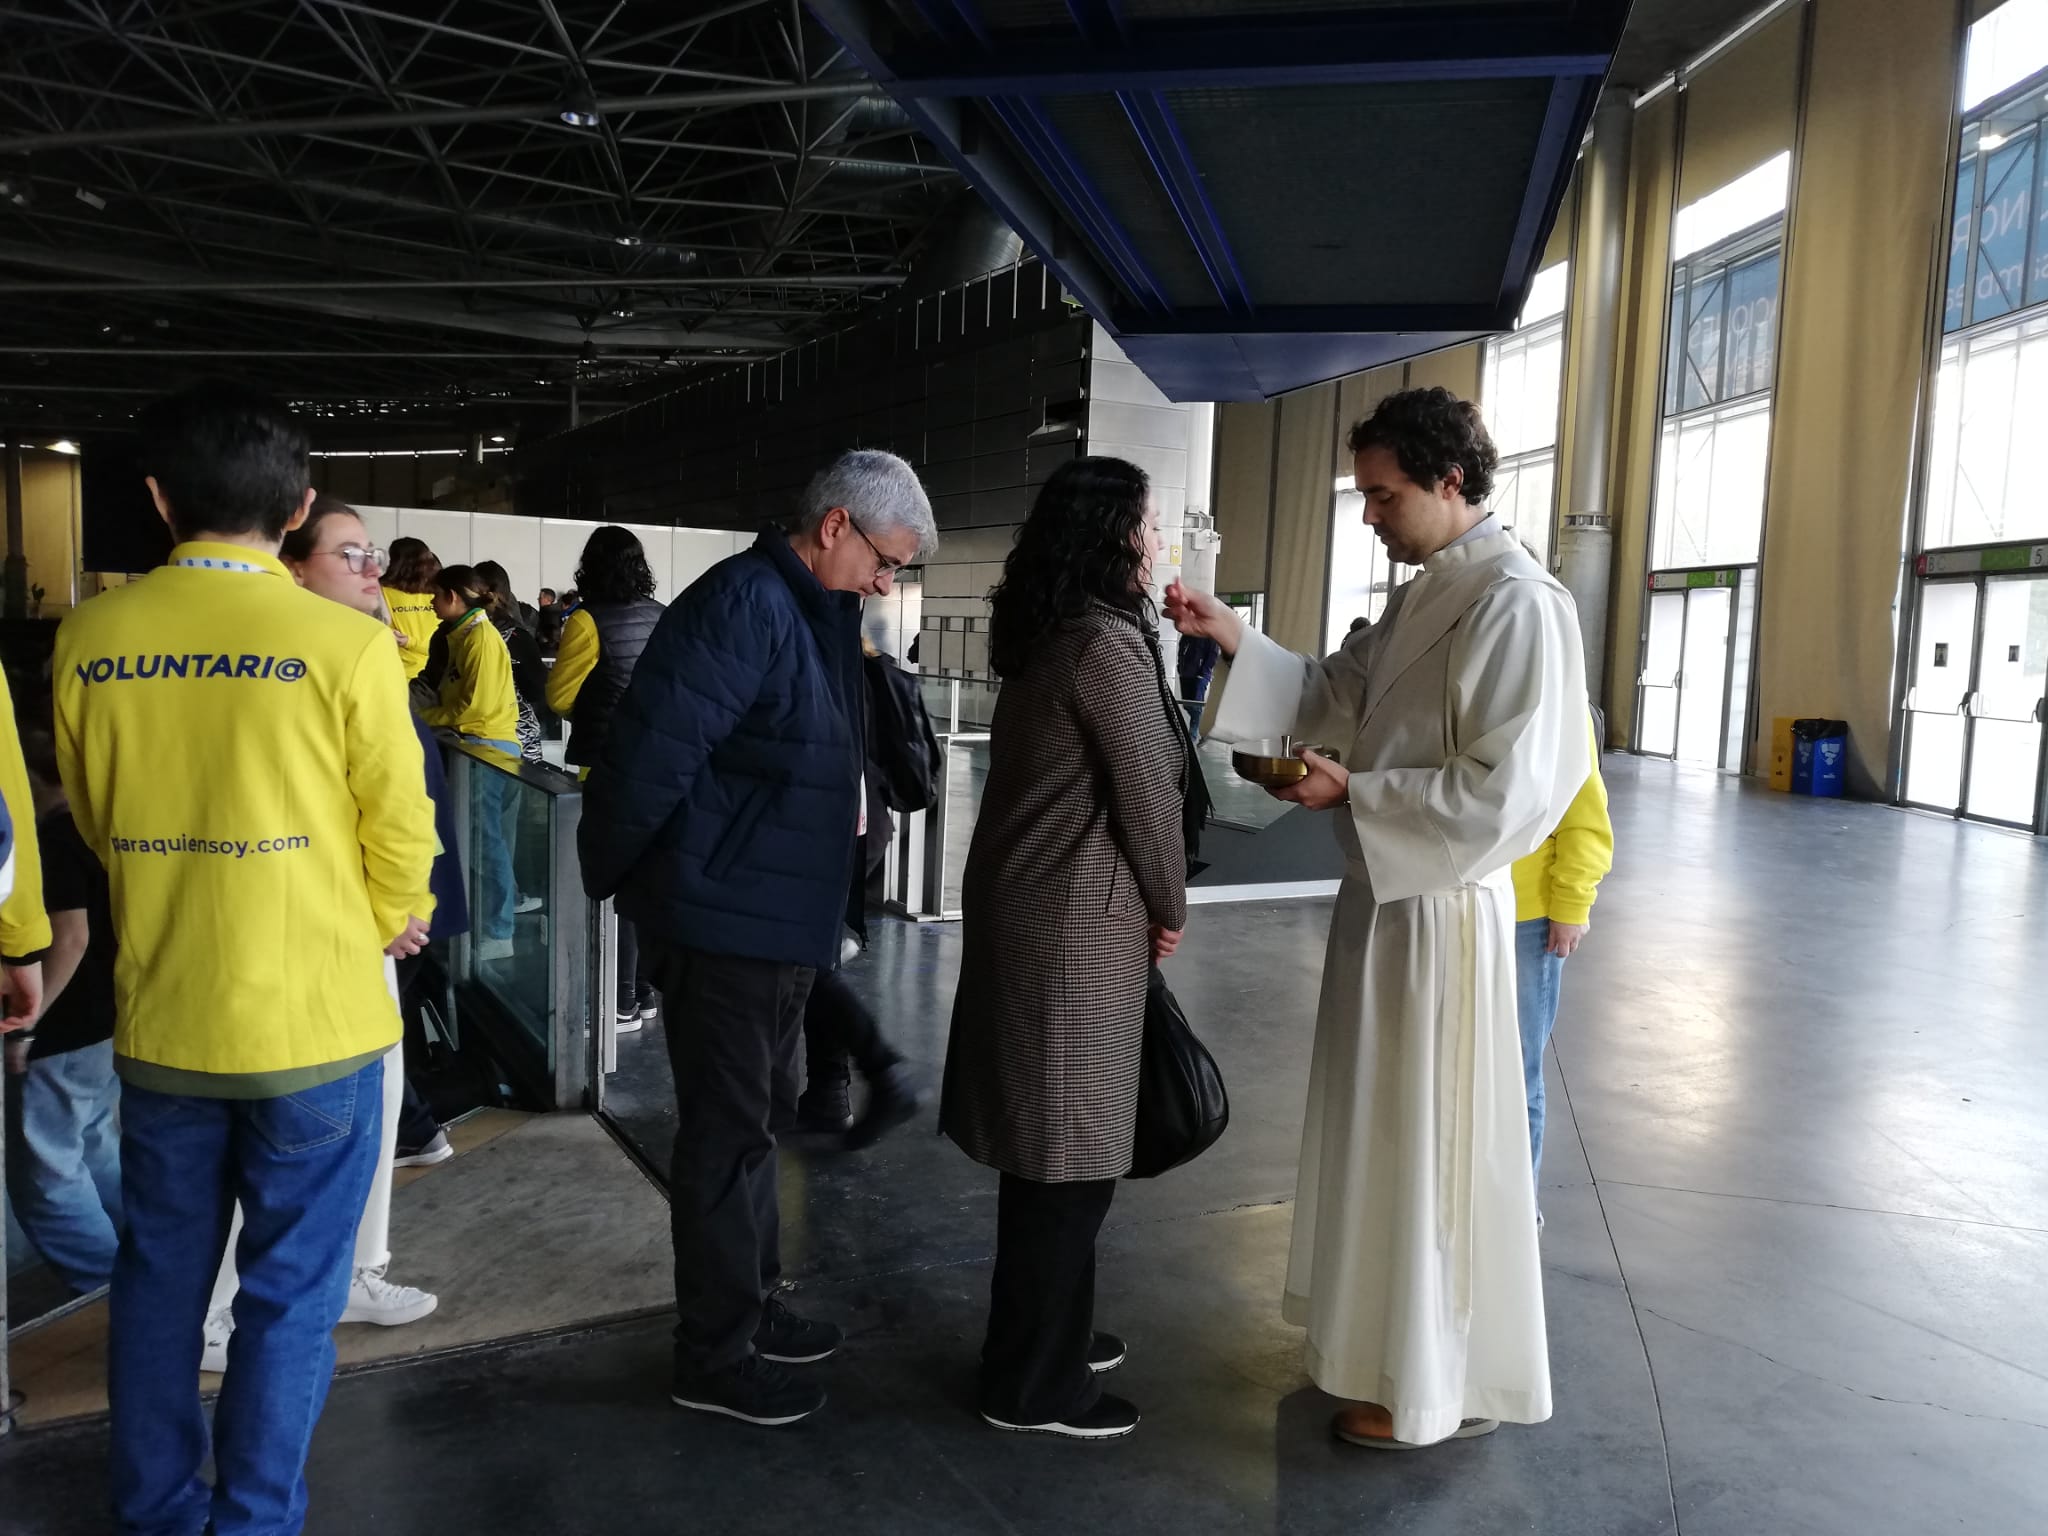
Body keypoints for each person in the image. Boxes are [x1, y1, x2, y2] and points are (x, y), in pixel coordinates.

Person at [1167, 386, 1588, 1452]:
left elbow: (1512, 795)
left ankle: (1440, 1383)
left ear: (1451, 481)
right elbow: (1331, 690)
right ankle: (1390, 1351)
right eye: (1363, 494)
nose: (1369, 515)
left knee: (1432, 1144)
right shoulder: (1429, 592)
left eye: (1384, 495)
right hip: (1388, 902)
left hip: (1442, 910)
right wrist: (1232, 636)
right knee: (1387, 1134)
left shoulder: (1518, 603)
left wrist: (1355, 791)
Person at [53, 383, 435, 1535]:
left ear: (159, 498)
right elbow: (401, 833)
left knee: (160, 1283)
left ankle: (157, 1507)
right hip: (318, 1027)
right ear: (300, 505)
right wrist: (381, 920)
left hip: (167, 1018)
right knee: (292, 1293)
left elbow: (98, 822)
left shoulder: (92, 638)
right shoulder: (347, 645)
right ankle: (257, 1518)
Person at [579, 448, 935, 1428]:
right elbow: (651, 757)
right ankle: (714, 1353)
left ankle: (753, 1301)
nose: (885, 582)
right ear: (834, 525)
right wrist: (628, 883)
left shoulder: (816, 612)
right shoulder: (744, 604)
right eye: (884, 561)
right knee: (726, 1139)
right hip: (723, 921)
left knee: (758, 1125)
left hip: (775, 921)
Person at [939, 456, 1190, 1442]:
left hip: (1039, 911)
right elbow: (1148, 797)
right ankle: (1032, 1386)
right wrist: (1169, 903)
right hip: (1074, 925)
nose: (1159, 539)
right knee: (1067, 1161)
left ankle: (1048, 1338)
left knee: (1056, 1153)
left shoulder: (1057, 630)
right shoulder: (1103, 646)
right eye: (1150, 522)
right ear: (1115, 534)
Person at [188, 497, 452, 1374]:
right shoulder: (285, 660)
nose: (373, 568)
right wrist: (394, 909)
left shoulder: (364, 649)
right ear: (293, 569)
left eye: (372, 552)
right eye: (349, 555)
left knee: (375, 1109)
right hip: (314, 932)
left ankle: (355, 1270)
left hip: (371, 932)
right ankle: (221, 1306)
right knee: (277, 1129)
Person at [793, 636, 929, 1147]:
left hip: (826, 833)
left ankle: (882, 1070)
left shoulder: (817, 663)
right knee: (816, 960)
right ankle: (830, 1094)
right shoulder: (866, 664)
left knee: (803, 962)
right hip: (861, 830)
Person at [3, 719, 119, 1297]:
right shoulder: (96, 828)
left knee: (47, 1174)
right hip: (106, 1019)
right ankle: (145, 1267)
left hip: (63, 1029)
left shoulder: (49, 843)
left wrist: (27, 1024)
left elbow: (70, 938)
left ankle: (105, 1288)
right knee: (94, 1146)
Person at [546, 527, 664, 1030]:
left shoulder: (586, 619)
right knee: (647, 880)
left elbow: (559, 696)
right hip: (659, 762)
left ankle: (620, 1002)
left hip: (607, 763)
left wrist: (596, 710)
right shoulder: (660, 614)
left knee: (613, 882)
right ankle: (644, 992)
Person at [1510, 719, 1612, 1216]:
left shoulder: (1560, 704)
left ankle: (1520, 1217)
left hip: (1525, 916)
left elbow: (1583, 812)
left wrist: (1571, 904)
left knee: (1518, 1072)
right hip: (1455, 908)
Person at [420, 564, 523, 963]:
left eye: (436, 595)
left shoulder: (480, 638)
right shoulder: (464, 636)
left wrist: (424, 718)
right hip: (481, 745)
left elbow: (473, 707)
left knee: (487, 842)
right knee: (484, 841)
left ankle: (499, 930)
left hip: (486, 747)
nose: (431, 602)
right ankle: (489, 926)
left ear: (453, 596)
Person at [474, 560, 550, 765]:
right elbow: (536, 689)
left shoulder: (464, 633)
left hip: (475, 734)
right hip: (519, 735)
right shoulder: (517, 636)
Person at [381, 537, 440, 684]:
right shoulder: (440, 592)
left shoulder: (380, 590)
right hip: (436, 673)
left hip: (397, 674)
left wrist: (409, 642)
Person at [1176, 631, 1220, 743]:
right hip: (1185, 673)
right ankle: (1206, 729)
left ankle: (1193, 735)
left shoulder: (1210, 635)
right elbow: (1181, 649)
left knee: (1196, 705)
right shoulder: (1187, 634)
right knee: (1187, 705)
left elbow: (1213, 655)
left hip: (1200, 676)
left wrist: (1204, 673)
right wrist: (1180, 666)